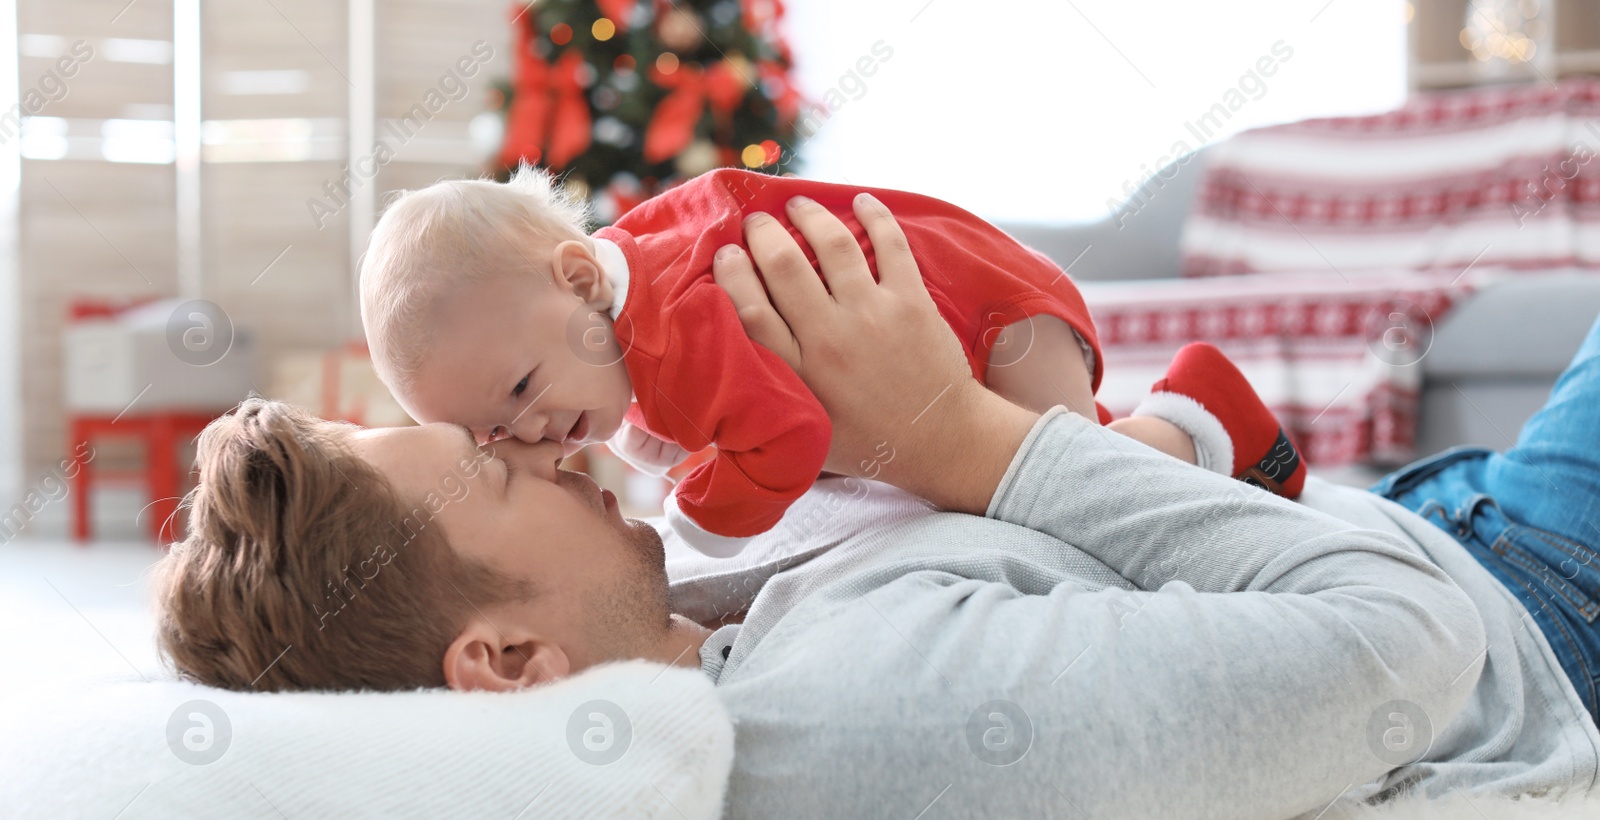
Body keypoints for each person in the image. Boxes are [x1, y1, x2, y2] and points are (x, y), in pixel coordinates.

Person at [154, 195, 1597, 820]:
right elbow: (1411, 641)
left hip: (1377, 500)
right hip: (1527, 590)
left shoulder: (671, 617)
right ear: (508, 659)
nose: (542, 452)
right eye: (490, 462)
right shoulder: (867, 729)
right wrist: (954, 435)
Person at [355, 168, 1302, 557]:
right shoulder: (624, 294)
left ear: (574, 278)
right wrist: (655, 442)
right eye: (491, 427)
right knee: (1039, 493)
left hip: (989, 320)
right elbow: (709, 407)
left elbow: (789, 435)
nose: (526, 432)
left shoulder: (673, 325)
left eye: (522, 388)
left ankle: (1210, 416)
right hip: (966, 298)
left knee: (1078, 487)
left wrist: (704, 521)